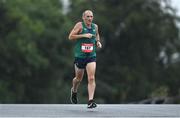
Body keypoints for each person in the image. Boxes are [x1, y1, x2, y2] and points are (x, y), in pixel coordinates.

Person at [68, 10, 102, 108]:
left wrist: (98, 42)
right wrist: (83, 35)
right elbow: (70, 37)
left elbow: (97, 35)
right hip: (80, 56)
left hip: (91, 56)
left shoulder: (95, 26)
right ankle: (74, 90)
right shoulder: (79, 25)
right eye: (87, 16)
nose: (90, 18)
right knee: (78, 79)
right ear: (83, 17)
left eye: (91, 16)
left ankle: (90, 101)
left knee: (91, 77)